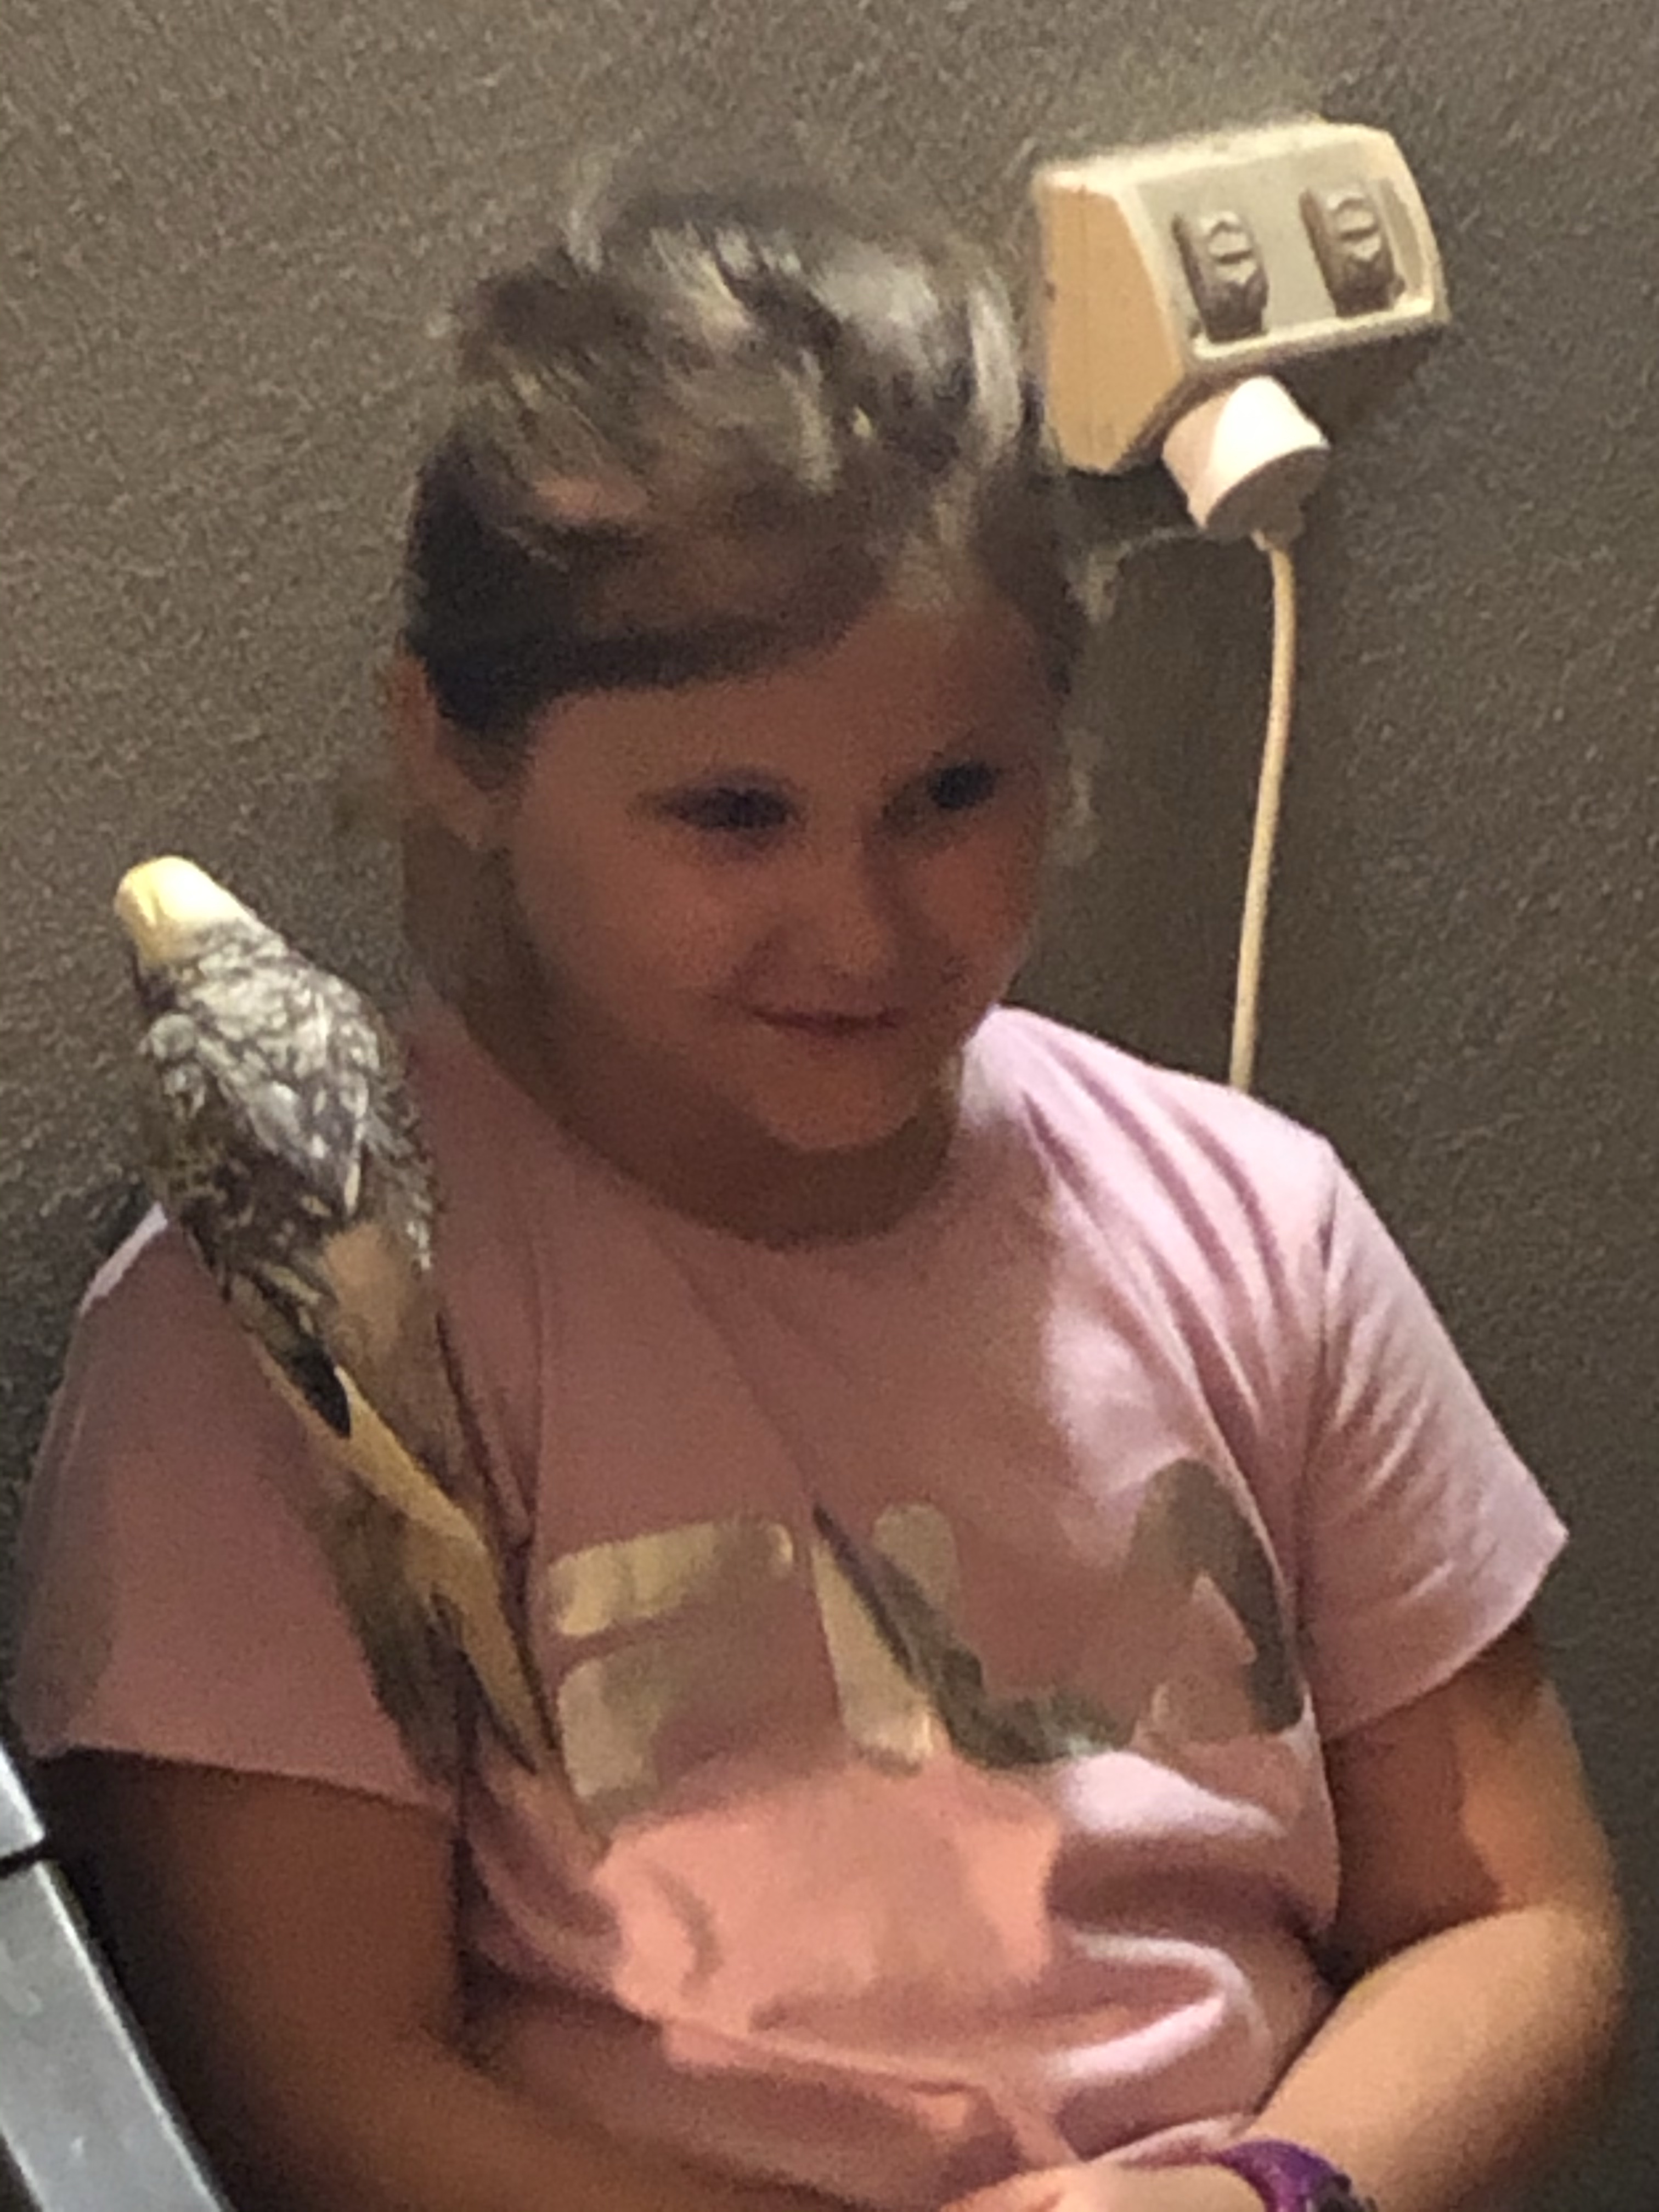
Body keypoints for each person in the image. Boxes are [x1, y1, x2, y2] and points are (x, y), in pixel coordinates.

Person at [7, 179, 1626, 2212]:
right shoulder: (296, 1334)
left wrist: (1262, 2194)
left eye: (952, 794)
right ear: (458, 757)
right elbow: (326, 2097)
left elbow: (1521, 1922)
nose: (859, 926)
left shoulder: (1253, 1226)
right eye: (732, 814)